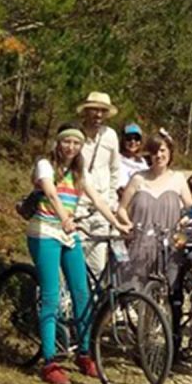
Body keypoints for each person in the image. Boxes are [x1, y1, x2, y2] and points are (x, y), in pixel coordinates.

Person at [26, 122, 130, 384]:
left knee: (82, 293)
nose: (71, 147)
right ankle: (49, 362)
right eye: (66, 142)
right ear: (58, 143)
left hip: (67, 233)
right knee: (51, 295)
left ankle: (84, 353)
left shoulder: (80, 171)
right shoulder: (45, 164)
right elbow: (50, 192)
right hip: (45, 232)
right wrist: (64, 217)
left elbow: (97, 199)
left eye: (76, 143)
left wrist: (118, 223)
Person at [117, 130, 192, 293]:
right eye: (154, 152)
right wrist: (129, 225)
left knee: (171, 293)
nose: (158, 155)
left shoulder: (178, 178)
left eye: (162, 151)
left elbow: (191, 209)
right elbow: (121, 209)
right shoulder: (138, 178)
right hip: (140, 245)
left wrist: (187, 220)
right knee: (135, 293)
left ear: (170, 153)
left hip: (170, 245)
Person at [74, 91, 123, 276]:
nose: (98, 115)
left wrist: (111, 202)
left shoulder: (110, 136)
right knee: (75, 263)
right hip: (77, 208)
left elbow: (114, 170)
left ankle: (90, 304)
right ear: (86, 111)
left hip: (101, 210)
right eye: (94, 110)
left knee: (97, 267)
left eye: (103, 111)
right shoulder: (75, 135)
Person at [118, 123, 149, 189]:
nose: (133, 142)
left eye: (136, 138)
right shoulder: (117, 159)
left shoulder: (143, 162)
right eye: (129, 138)